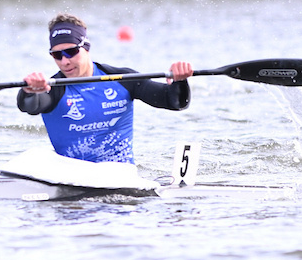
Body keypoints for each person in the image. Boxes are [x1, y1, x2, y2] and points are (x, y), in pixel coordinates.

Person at [17, 14, 193, 164]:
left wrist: (180, 81)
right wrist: (29, 91)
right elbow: (30, 106)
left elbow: (174, 102)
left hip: (119, 176)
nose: (65, 61)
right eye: (57, 55)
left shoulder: (123, 79)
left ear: (86, 47)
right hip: (70, 177)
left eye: (71, 52)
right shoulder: (54, 89)